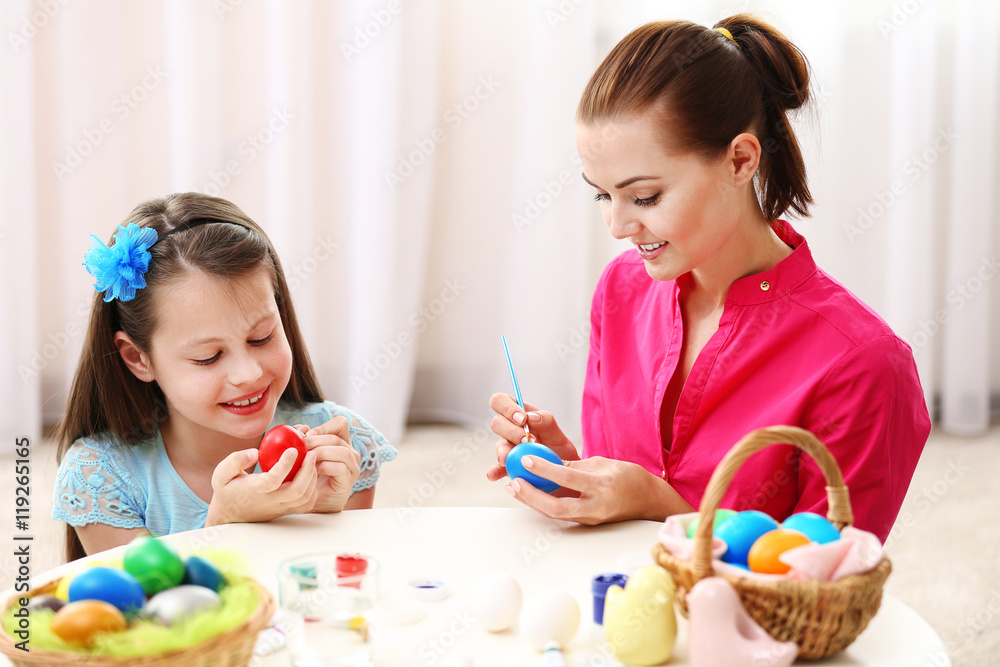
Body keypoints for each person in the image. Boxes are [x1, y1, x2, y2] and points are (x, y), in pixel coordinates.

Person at [488, 15, 930, 543]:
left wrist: (656, 502)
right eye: (603, 194)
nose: (618, 226)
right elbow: (625, 507)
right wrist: (572, 472)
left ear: (740, 160)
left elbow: (816, 583)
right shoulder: (621, 291)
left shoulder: (864, 364)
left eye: (645, 197)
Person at [53, 192, 397, 561]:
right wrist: (222, 525)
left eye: (261, 337)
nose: (248, 374)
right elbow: (147, 613)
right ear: (139, 358)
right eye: (208, 356)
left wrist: (327, 515)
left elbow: (337, 606)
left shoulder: (341, 446)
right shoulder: (101, 477)